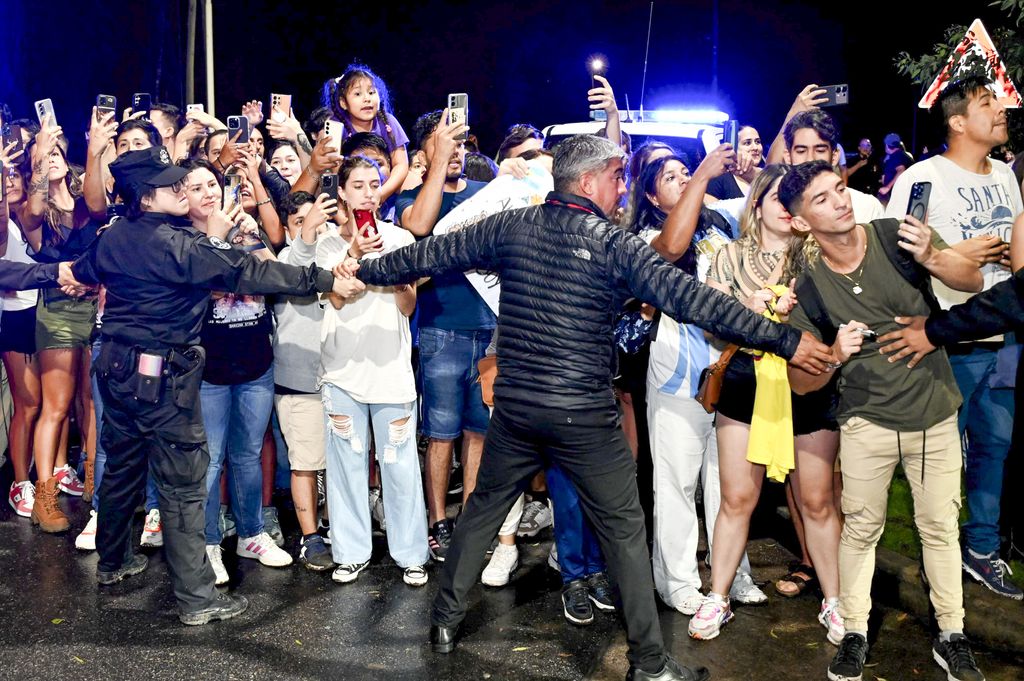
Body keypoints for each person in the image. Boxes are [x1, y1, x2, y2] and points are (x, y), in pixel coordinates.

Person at [343, 134, 834, 681]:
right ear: (588, 182)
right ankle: (648, 663)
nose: (622, 186)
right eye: (617, 176)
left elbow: (427, 253)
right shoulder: (612, 242)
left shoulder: (513, 226)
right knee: (624, 529)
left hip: (520, 408)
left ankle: (443, 621)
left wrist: (361, 271)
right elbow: (695, 301)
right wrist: (785, 340)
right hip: (582, 413)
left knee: (481, 511)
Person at [71, 146, 364, 625]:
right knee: (184, 486)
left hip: (117, 371)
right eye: (172, 186)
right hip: (163, 379)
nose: (183, 189)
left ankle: (114, 561)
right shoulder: (177, 244)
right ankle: (198, 599)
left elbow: (84, 272)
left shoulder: (113, 235)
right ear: (147, 199)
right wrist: (325, 278)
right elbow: (250, 270)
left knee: (123, 466)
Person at [778, 160, 985, 681]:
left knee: (939, 527)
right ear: (802, 222)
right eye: (822, 199)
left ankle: (953, 634)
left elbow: (974, 278)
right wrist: (832, 355)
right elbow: (801, 383)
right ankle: (854, 632)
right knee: (862, 530)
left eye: (840, 188)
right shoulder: (811, 288)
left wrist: (934, 256)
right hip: (866, 420)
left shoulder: (896, 235)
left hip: (933, 409)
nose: (840, 201)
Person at [688, 165, 843, 645]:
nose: (784, 204)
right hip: (745, 384)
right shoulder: (730, 256)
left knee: (817, 501)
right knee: (737, 498)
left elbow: (839, 318)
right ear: (757, 204)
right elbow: (711, 322)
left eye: (791, 198)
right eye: (775, 196)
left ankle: (836, 601)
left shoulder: (819, 257)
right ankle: (718, 597)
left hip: (809, 382)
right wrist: (745, 314)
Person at [886, 75, 1023, 601]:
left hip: (1005, 336)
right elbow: (900, 259)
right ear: (958, 121)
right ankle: (936, 556)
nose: (1002, 110)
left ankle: (982, 550)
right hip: (948, 338)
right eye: (988, 104)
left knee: (995, 446)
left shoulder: (1008, 177)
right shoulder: (923, 179)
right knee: (939, 458)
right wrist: (962, 252)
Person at [315, 156, 430, 587]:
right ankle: (350, 552)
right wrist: (354, 253)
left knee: (399, 464)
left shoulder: (400, 238)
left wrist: (402, 280)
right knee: (345, 466)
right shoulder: (326, 244)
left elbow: (407, 306)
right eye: (358, 185)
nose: (367, 191)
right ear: (341, 192)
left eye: (374, 183)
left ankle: (412, 554)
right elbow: (335, 300)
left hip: (392, 372)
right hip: (342, 372)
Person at [395, 109, 492, 561]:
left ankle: (471, 519)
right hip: (440, 331)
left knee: (479, 432)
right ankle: (438, 521)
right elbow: (418, 226)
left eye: (461, 142)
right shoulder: (410, 198)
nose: (457, 151)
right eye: (445, 141)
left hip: (489, 329)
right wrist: (437, 163)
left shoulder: (485, 193)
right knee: (441, 434)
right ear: (425, 152)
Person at [273, 191, 334, 571]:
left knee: (341, 463)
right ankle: (310, 538)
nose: (312, 230)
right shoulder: (284, 260)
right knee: (305, 463)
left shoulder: (340, 255)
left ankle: (337, 527)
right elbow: (301, 262)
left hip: (340, 376)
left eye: (318, 221)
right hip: (300, 379)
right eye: (299, 222)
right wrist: (309, 232)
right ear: (286, 228)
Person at [321, 64, 409, 200]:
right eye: (357, 94)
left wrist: (380, 194)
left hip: (386, 191)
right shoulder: (335, 128)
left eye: (371, 92)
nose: (367, 98)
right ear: (343, 102)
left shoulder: (388, 122)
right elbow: (334, 174)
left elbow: (401, 165)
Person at [705, 125, 763, 201]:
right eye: (747, 143)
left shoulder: (768, 174)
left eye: (757, 142)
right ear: (733, 147)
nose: (755, 148)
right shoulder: (719, 179)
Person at [877, 133, 913, 202]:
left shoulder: (896, 156)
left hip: (901, 195)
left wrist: (887, 187)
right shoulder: (899, 155)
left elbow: (901, 170)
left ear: (887, 146)